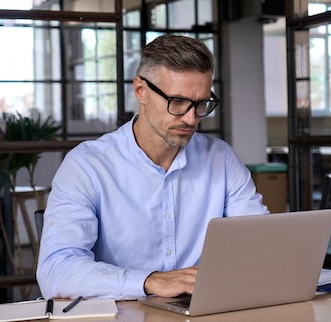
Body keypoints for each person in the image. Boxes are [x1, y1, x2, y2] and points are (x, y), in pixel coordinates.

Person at [36, 34, 269, 300]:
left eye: (202, 103)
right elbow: (57, 270)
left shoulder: (222, 159)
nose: (191, 118)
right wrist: (148, 282)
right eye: (178, 102)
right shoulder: (87, 166)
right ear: (141, 90)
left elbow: (256, 245)